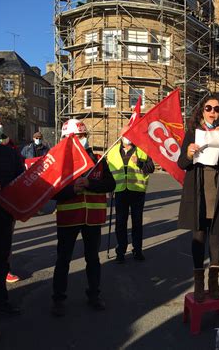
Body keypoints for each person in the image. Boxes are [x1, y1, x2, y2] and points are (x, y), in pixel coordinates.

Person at [177, 95, 219, 303]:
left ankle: (214, 283)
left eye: (217, 109)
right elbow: (181, 164)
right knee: (199, 236)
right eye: (208, 108)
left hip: (218, 190)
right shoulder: (193, 133)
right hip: (198, 191)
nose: (212, 112)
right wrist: (187, 153)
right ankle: (198, 283)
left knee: (216, 236)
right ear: (202, 111)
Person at [51, 119, 116, 317]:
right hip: (69, 217)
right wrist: (72, 189)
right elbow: (52, 192)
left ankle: (94, 295)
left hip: (93, 218)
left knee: (92, 259)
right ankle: (58, 299)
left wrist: (89, 183)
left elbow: (110, 184)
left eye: (83, 135)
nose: (81, 139)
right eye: (77, 136)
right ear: (66, 138)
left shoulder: (98, 158)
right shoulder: (60, 161)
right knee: (63, 259)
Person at [0, 117, 24, 315]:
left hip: (3, 217)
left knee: (0, 262)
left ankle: (0, 303)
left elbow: (21, 178)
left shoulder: (9, 153)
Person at [107, 125, 155, 263]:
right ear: (120, 136)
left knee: (137, 222)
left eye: (130, 133)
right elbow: (109, 172)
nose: (127, 136)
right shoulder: (112, 152)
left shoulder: (142, 150)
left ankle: (137, 250)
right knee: (120, 223)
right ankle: (120, 251)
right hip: (120, 191)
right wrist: (110, 188)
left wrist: (139, 162)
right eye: (124, 134)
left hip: (137, 191)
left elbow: (151, 168)